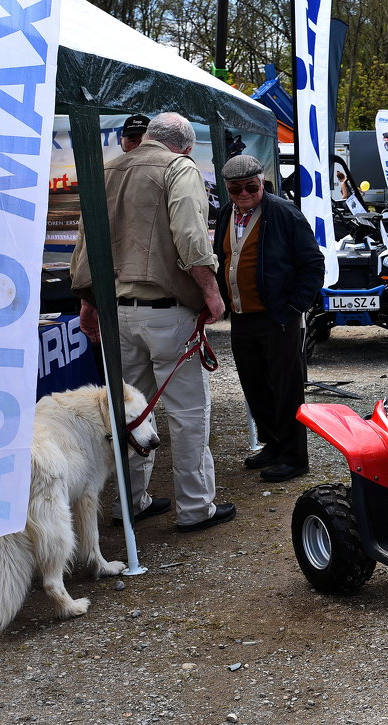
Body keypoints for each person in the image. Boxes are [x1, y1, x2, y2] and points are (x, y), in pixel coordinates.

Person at [70, 112, 235, 533]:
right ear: (184, 144)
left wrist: (87, 300)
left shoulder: (106, 168)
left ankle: (130, 501)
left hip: (115, 312)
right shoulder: (179, 167)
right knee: (188, 412)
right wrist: (213, 293)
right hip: (166, 313)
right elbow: (192, 237)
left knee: (128, 412)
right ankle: (196, 508)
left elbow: (87, 240)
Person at [212, 154, 325, 483]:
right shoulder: (226, 214)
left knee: (286, 387)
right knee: (255, 385)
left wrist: (293, 309)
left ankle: (294, 457)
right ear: (228, 190)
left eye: (251, 187)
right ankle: (274, 445)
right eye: (236, 189)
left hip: (278, 317)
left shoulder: (283, 213)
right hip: (242, 316)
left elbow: (312, 265)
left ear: (262, 183)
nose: (244, 194)